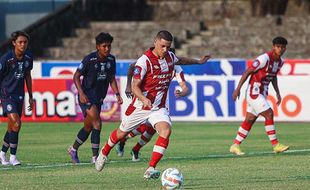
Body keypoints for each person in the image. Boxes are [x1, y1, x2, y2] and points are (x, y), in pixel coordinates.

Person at [95, 30, 211, 179]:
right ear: (155, 42)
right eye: (163, 46)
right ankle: (104, 152)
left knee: (166, 131)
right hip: (140, 106)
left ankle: (150, 168)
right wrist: (143, 98)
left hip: (158, 108)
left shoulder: (170, 57)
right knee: (121, 133)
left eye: (168, 47)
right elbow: (135, 85)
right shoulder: (145, 61)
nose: (165, 50)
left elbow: (180, 60)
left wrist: (198, 62)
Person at [68, 32, 123, 164]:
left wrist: (117, 94)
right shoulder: (89, 59)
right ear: (98, 46)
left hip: (99, 98)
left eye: (109, 46)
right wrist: (81, 93)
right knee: (97, 123)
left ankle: (73, 149)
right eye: (104, 46)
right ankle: (95, 157)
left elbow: (111, 78)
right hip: (86, 97)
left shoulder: (111, 60)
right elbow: (76, 76)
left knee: (88, 127)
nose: (107, 49)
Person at [116, 62, 189, 162]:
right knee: (140, 127)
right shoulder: (151, 59)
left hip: (160, 103)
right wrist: (129, 85)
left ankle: (135, 149)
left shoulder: (175, 66)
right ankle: (123, 139)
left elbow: (184, 84)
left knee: (151, 130)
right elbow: (132, 66)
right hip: (143, 99)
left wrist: (183, 91)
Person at [230, 36, 289, 155]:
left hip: (262, 93)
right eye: (278, 47)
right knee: (269, 113)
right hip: (254, 92)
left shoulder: (280, 62)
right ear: (273, 47)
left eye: (283, 47)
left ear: (285, 48)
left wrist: (277, 92)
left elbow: (273, 76)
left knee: (250, 119)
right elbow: (248, 71)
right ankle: (275, 145)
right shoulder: (264, 58)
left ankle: (235, 145)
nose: (280, 49)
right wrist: (237, 89)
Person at [0, 31, 34, 166]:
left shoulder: (28, 58)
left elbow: (28, 76)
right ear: (14, 43)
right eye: (20, 42)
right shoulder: (6, 59)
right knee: (17, 123)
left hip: (20, 95)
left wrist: (31, 96)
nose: (23, 44)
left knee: (12, 126)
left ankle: (2, 154)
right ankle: (13, 157)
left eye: (25, 42)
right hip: (7, 95)